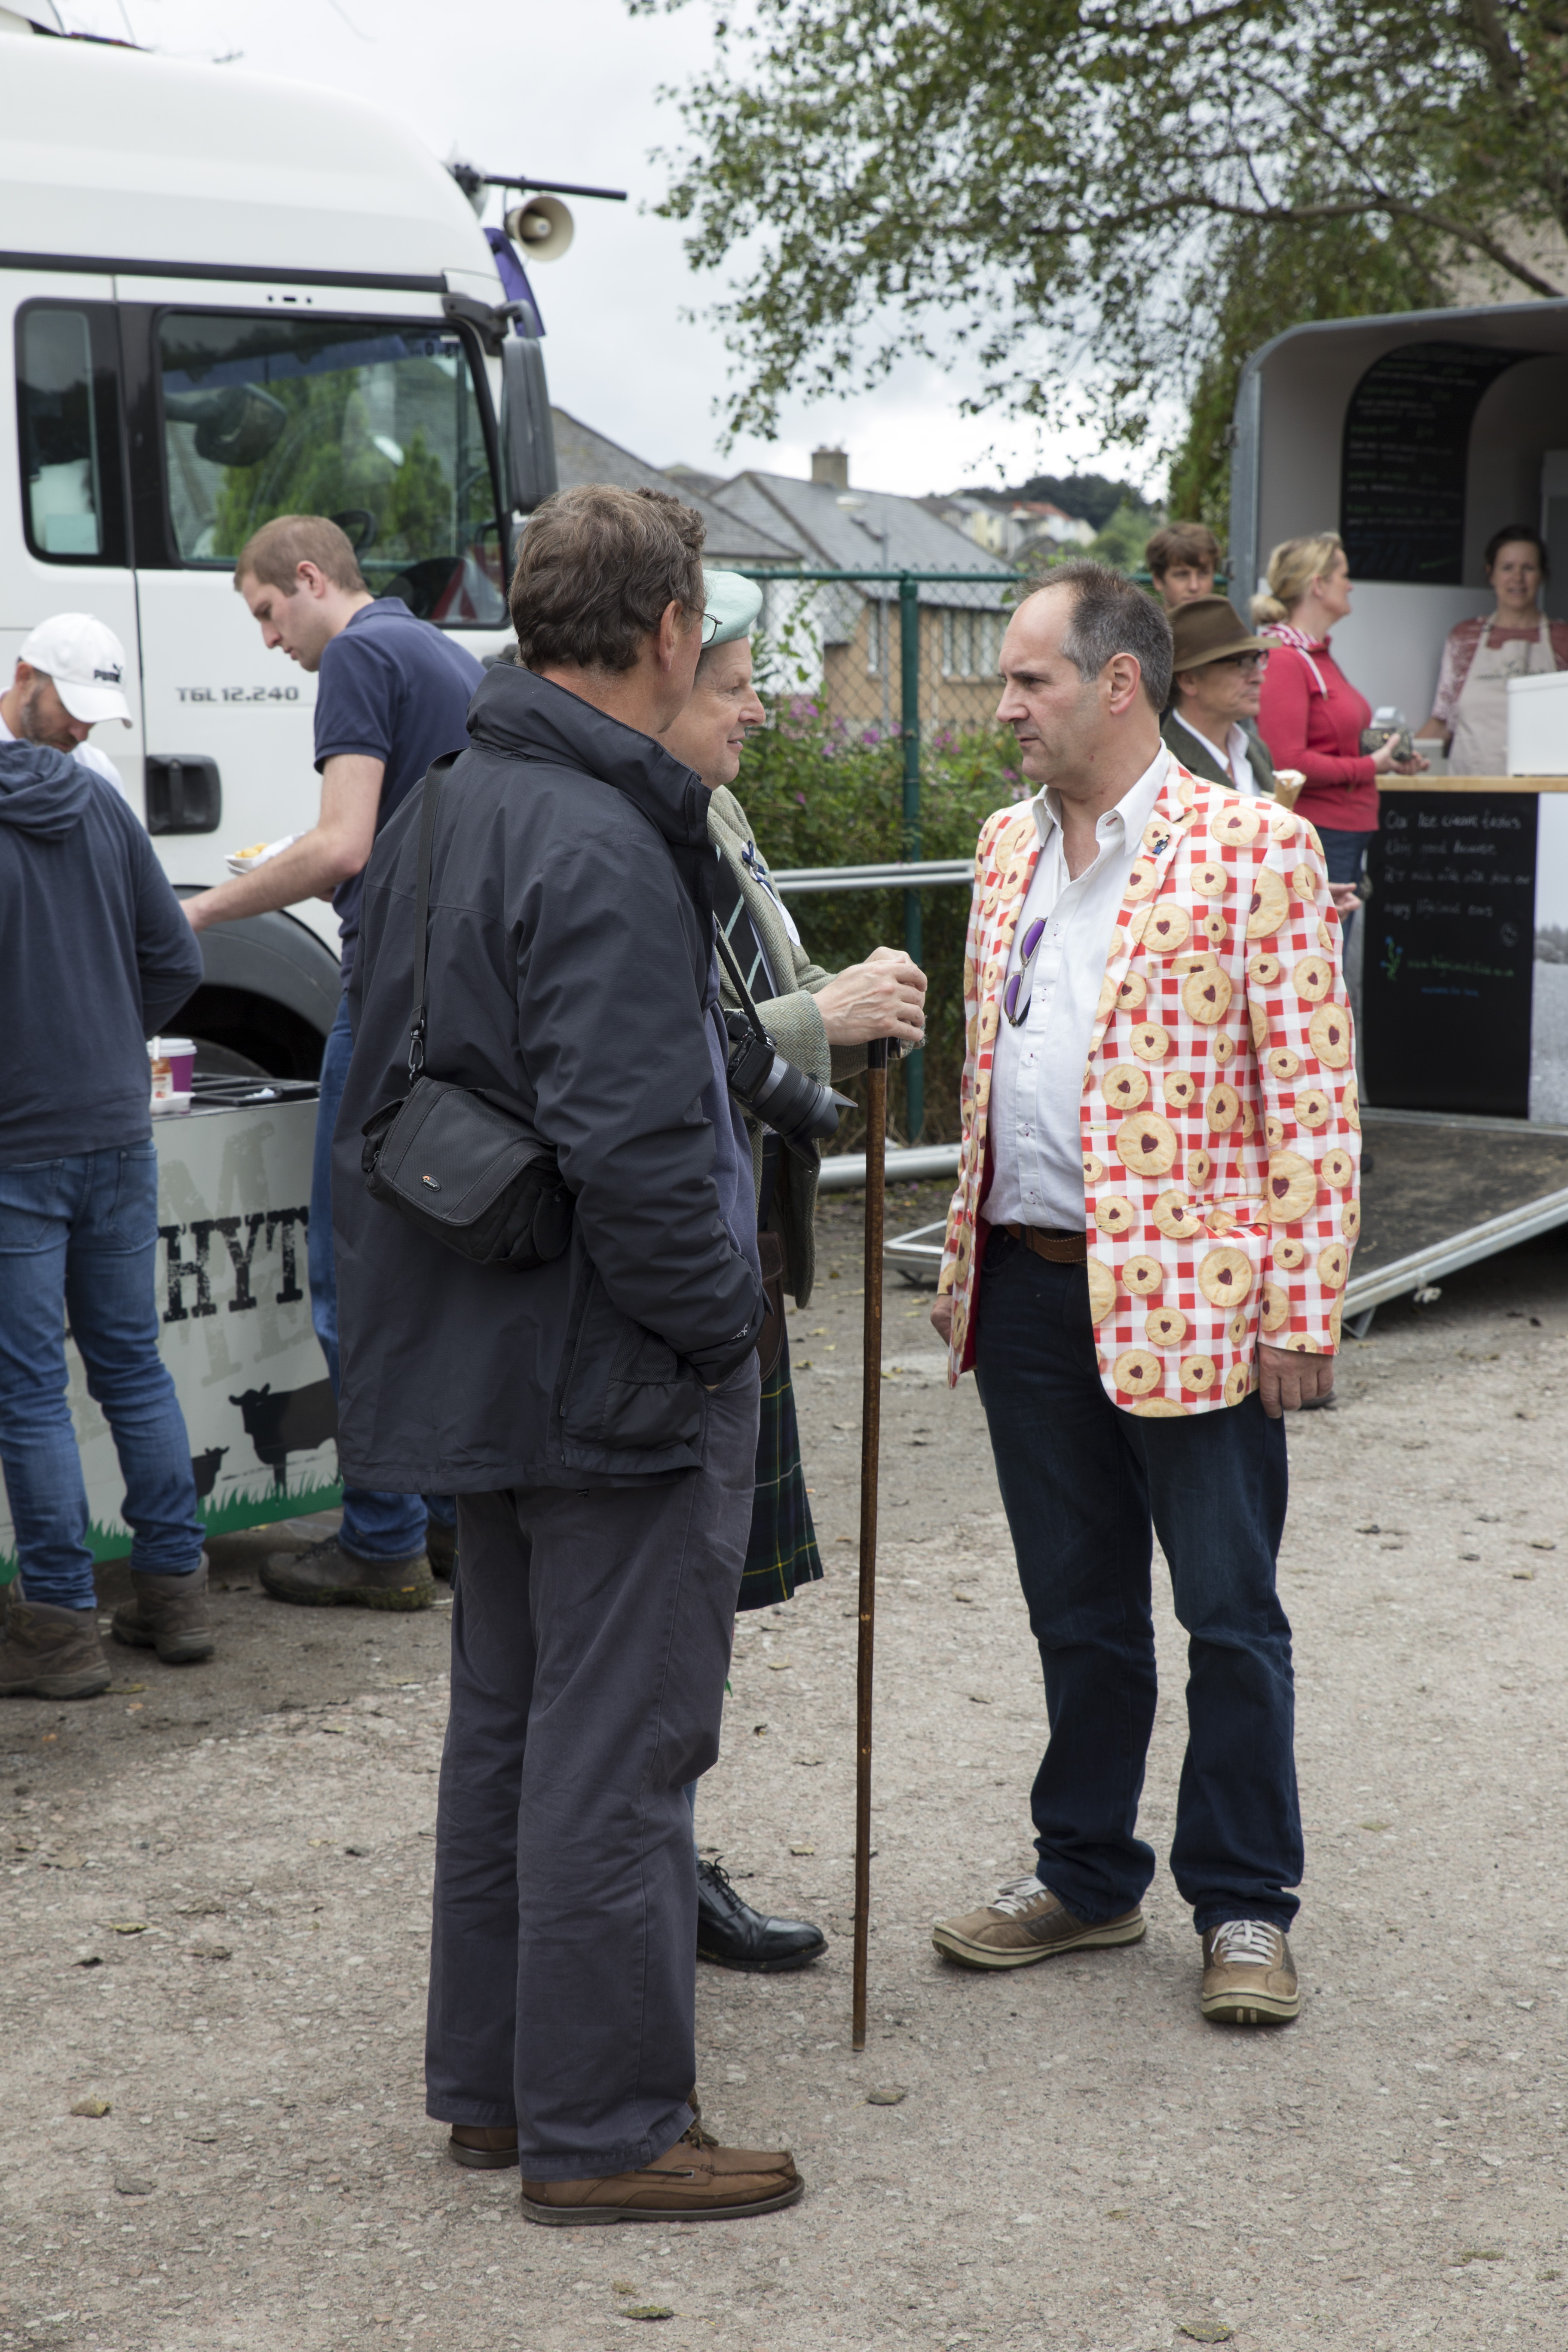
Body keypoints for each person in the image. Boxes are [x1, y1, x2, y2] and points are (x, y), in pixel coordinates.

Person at [331, 484, 802, 2222]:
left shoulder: (457, 795)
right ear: (671, 629)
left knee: (515, 1728)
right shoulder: (597, 833)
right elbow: (643, 1147)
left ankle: (496, 2092)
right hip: (605, 1366)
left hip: (489, 1341)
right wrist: (714, 1332)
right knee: (618, 1744)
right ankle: (604, 2124)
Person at [928, 560, 1360, 2027]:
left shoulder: (1251, 849)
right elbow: (986, 1074)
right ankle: (1087, 1874)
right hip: (1030, 1288)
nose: (1004, 708)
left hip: (1197, 1302)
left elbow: (1309, 1095)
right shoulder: (1002, 852)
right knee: (1075, 1607)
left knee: (1228, 1612)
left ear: (1118, 682)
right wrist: (956, 1252)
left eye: (1026, 680)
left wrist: (1302, 1303)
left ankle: (1242, 1902)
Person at [660, 568, 928, 1973]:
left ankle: (665, 1853)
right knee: (662, 1605)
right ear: (659, 678)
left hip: (739, 1242)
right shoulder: (624, 825)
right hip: (677, 1259)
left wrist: (845, 997)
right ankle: (648, 1867)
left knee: (701, 1598)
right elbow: (666, 1046)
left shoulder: (714, 807)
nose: (761, 707)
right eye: (733, 684)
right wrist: (813, 1017)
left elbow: (735, 1004)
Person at [185, 515, 483, 1609]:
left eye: (267, 612)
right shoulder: (441, 653)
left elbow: (343, 843)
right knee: (433, 1262)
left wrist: (202, 912)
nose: (270, 640)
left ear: (308, 579)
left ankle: (379, 1534)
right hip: (455, 997)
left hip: (388, 990)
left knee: (350, 1272)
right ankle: (449, 1517)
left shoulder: (358, 655)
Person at [0, 736, 211, 1700]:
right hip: (118, 1129)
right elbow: (176, 957)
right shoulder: (94, 797)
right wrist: (102, 1044)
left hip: (17, 1149)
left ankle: (56, 1631)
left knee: (33, 1388)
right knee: (131, 1361)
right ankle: (176, 1595)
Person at [1254, 530, 1425, 946]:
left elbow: (1334, 738)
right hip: (1323, 834)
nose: (1351, 585)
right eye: (1344, 575)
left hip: (1340, 833)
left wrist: (1388, 755)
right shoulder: (1285, 659)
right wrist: (1370, 766)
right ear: (1318, 585)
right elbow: (1287, 763)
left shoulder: (1313, 655)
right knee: (1321, 966)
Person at [1419, 524, 1568, 776]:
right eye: (1507, 568)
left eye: (1528, 568)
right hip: (1471, 797)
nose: (1517, 578)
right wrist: (1387, 761)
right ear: (1491, 574)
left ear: (1542, 575)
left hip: (1544, 797)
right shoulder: (1463, 638)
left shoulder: (1563, 639)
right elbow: (1442, 724)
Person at [0, 613, 135, 801]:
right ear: (25, 679)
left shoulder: (98, 772)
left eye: (93, 715)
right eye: (71, 709)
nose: (81, 734)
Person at [1161, 594, 1276, 796]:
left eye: (1256, 660)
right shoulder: (1163, 763)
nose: (1259, 678)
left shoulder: (1257, 750)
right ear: (1189, 680)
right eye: (1241, 663)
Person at [1145, 523, 1220, 610]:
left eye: (1203, 573)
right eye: (1182, 575)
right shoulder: (1142, 624)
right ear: (1158, 580)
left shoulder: (1232, 623)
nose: (1194, 587)